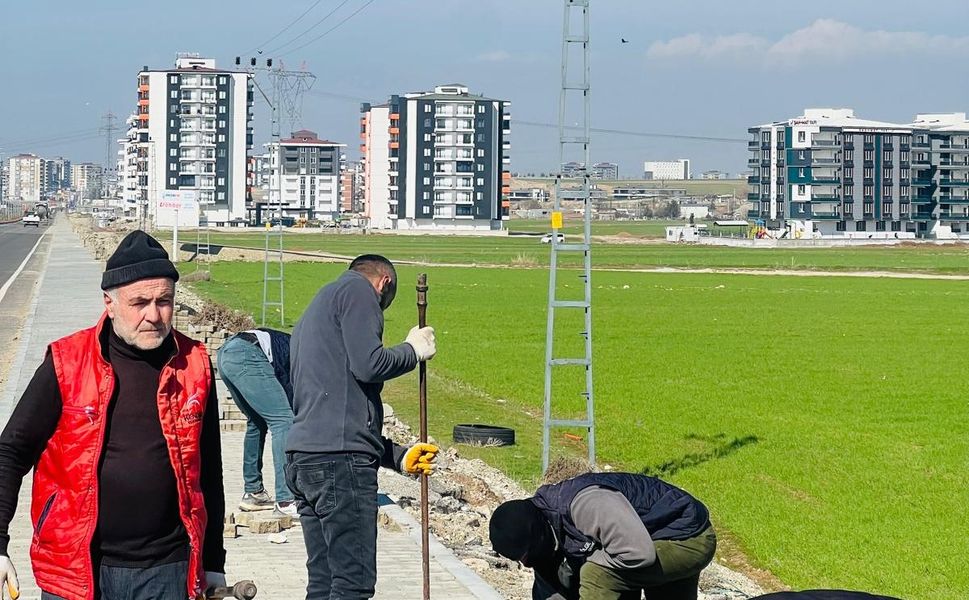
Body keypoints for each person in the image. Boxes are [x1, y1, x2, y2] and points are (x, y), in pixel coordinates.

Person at [0, 230, 226, 600]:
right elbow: (11, 452)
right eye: (140, 303)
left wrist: (214, 560)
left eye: (164, 301)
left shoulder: (195, 365)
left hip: (168, 569)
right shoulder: (67, 362)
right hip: (77, 568)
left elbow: (210, 469)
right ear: (110, 302)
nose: (154, 315)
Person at [286, 254, 439, 600]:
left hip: (305, 461)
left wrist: (397, 456)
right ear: (384, 282)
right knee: (352, 583)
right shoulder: (358, 292)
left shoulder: (317, 309)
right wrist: (412, 351)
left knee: (325, 583)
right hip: (339, 466)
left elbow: (337, 409)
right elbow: (369, 365)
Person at [489, 472, 716, 600]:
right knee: (604, 570)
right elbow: (552, 591)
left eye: (525, 556)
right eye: (520, 560)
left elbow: (638, 554)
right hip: (646, 538)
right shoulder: (545, 527)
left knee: (597, 574)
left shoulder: (584, 504)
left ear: (536, 535)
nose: (526, 564)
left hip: (685, 537)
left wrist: (589, 563)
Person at [217, 327, 297, 517]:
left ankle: (254, 493)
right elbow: (293, 399)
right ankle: (286, 501)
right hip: (247, 354)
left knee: (257, 420)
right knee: (284, 421)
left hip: (226, 354)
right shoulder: (308, 354)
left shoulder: (297, 343)